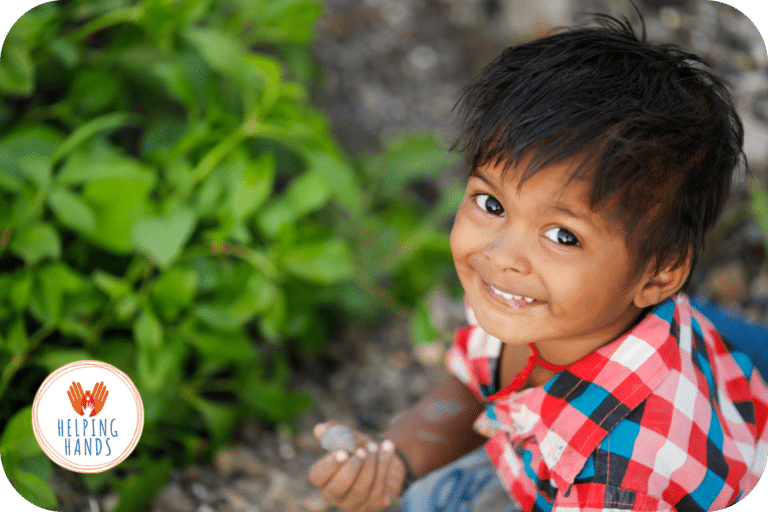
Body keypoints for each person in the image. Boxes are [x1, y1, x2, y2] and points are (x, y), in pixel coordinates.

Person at [307, 12, 768, 512]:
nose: (501, 255)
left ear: (660, 274)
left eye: (563, 235)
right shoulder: (539, 304)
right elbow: (477, 381)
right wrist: (395, 459)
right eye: (491, 204)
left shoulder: (623, 479)